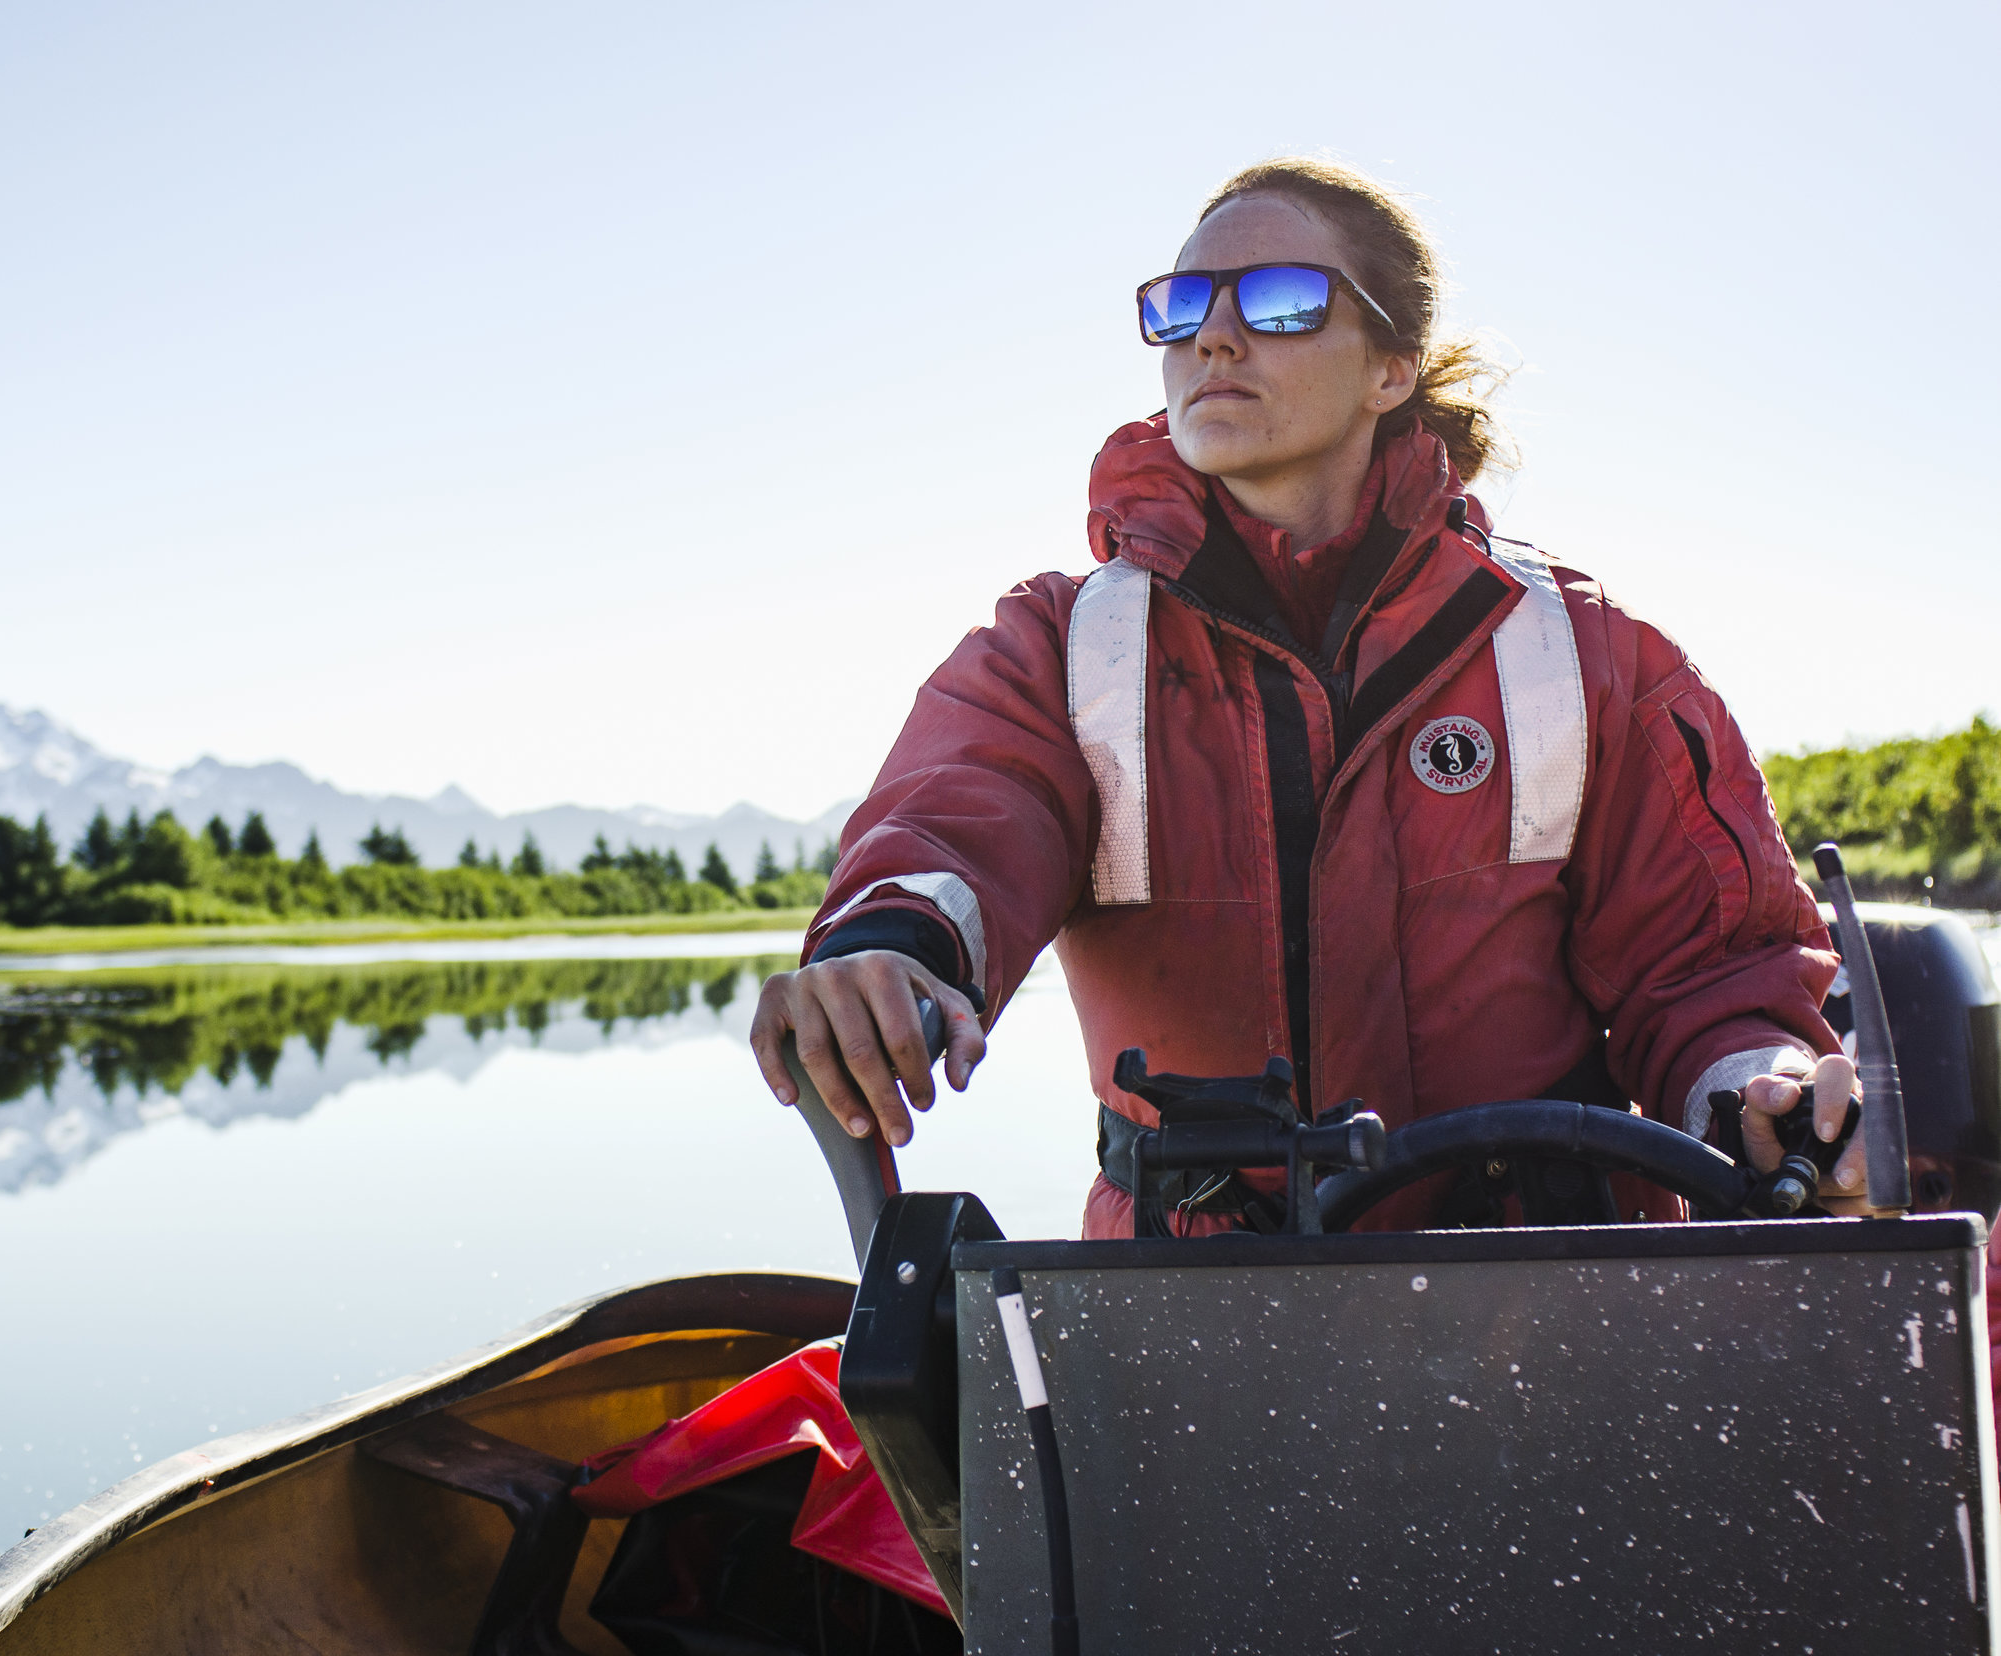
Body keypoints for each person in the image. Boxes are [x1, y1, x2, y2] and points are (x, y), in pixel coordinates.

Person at [749, 157, 1855, 1235]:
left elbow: (1716, 971)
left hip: (1540, 1305)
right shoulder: (1058, 645)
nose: (1214, 337)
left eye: (1282, 302)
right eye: (1182, 307)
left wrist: (1760, 1092)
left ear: (1390, 368)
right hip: (1180, 1324)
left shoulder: (1585, 652)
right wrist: (884, 953)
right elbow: (957, 817)